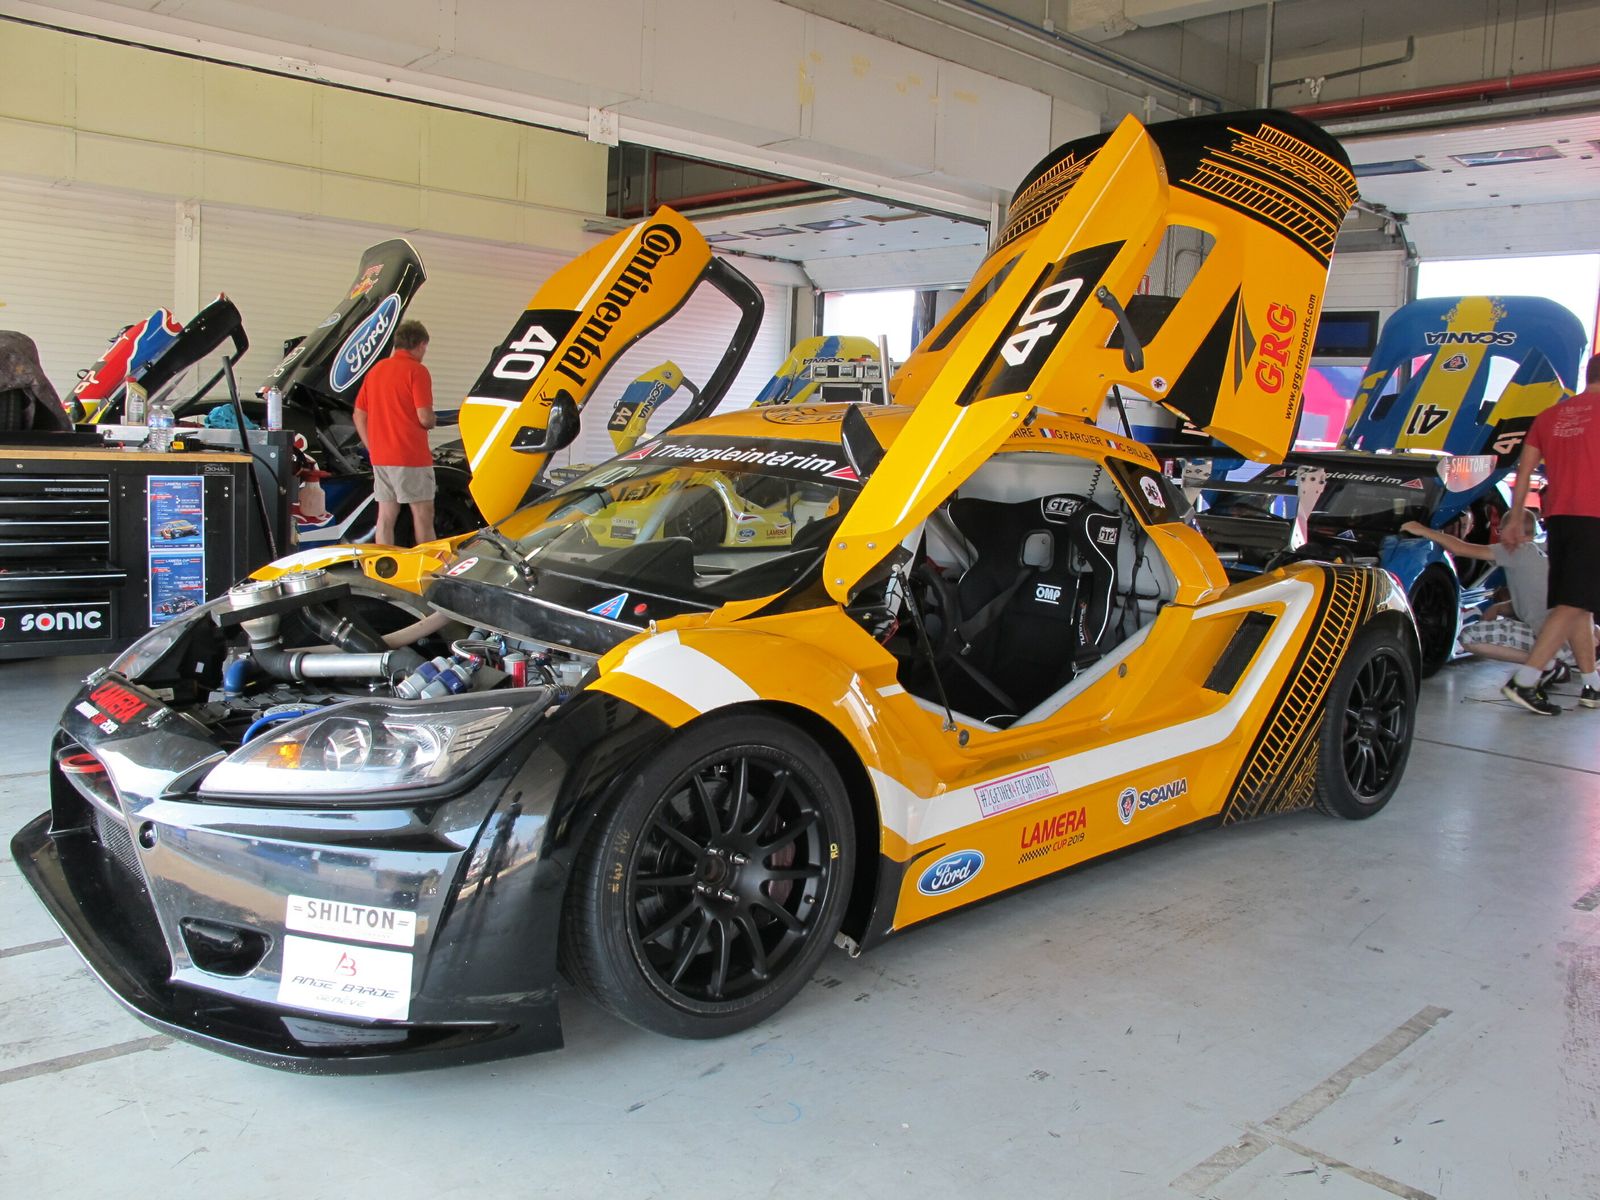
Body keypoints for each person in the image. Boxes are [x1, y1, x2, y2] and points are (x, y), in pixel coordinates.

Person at [1499, 351, 1600, 715]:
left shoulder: (1551, 415)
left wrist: (1514, 517)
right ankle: (1524, 680)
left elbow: (1523, 473)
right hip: (1594, 516)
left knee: (1579, 602)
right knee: (1574, 602)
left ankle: (1593, 685)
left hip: (1559, 518)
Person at [1400, 512, 1580, 668]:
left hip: (1551, 641)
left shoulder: (1515, 550)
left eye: (1500, 531)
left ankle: (1544, 664)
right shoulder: (1540, 555)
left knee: (1469, 637)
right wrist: (1499, 607)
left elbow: (1461, 549)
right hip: (1573, 640)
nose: (1499, 536)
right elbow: (1536, 597)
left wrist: (1423, 530)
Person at [354, 320, 436, 545]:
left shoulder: (376, 371)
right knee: (423, 514)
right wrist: (434, 420)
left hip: (381, 458)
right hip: (410, 456)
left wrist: (372, 447)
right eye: (424, 348)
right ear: (419, 345)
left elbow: (359, 415)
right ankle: (428, 569)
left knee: (386, 517)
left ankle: (384, 570)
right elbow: (425, 418)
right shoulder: (417, 371)